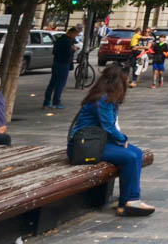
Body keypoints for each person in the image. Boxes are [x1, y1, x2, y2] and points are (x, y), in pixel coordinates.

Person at [71, 65, 153, 215]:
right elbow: (108, 125)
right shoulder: (103, 99)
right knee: (130, 157)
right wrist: (122, 140)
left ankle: (127, 202)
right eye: (126, 78)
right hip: (86, 145)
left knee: (138, 153)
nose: (128, 81)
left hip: (98, 141)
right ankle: (131, 200)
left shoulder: (107, 97)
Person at [42, 25, 78, 113]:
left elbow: (54, 51)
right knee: (60, 84)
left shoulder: (60, 40)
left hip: (56, 63)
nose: (75, 36)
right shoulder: (67, 42)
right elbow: (68, 53)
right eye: (75, 34)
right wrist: (73, 49)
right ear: (71, 33)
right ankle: (56, 102)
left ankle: (46, 102)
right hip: (63, 64)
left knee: (53, 83)